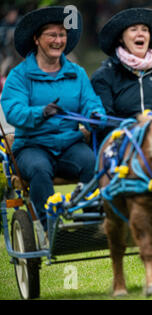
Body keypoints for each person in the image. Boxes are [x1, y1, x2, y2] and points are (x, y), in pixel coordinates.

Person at [0, 6, 105, 231]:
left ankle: (92, 226)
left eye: (62, 35)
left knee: (92, 164)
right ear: (37, 39)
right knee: (39, 169)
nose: (58, 40)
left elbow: (90, 102)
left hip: (69, 145)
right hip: (32, 147)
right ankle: (50, 230)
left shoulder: (76, 73)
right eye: (52, 35)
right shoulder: (19, 76)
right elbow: (13, 111)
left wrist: (95, 116)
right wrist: (40, 112)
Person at [91, 7, 152, 140]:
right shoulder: (104, 75)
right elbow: (103, 120)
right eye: (133, 30)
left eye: (145, 30)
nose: (140, 34)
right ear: (121, 38)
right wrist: (138, 125)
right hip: (120, 141)